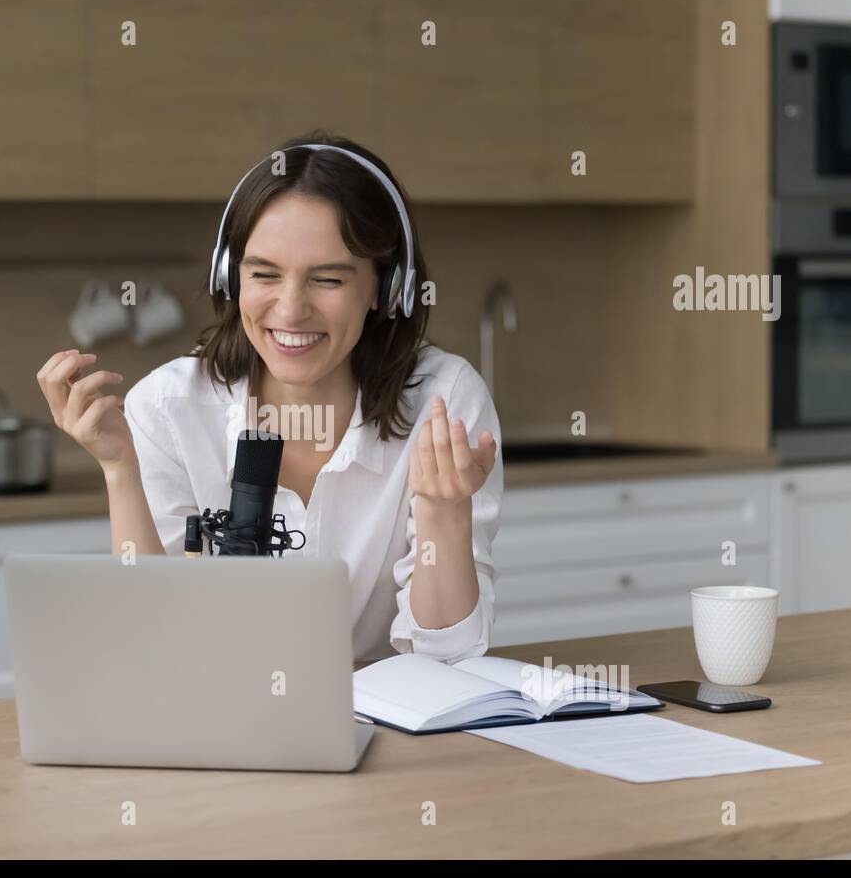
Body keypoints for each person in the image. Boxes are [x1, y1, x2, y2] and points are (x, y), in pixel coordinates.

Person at [36, 132, 503, 664]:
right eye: (264, 275)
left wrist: (444, 510)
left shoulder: (444, 403)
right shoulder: (167, 407)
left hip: (388, 736)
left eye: (327, 279)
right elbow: (151, 647)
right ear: (230, 278)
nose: (290, 309)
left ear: (385, 287)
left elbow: (450, 660)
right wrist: (121, 471)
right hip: (220, 726)